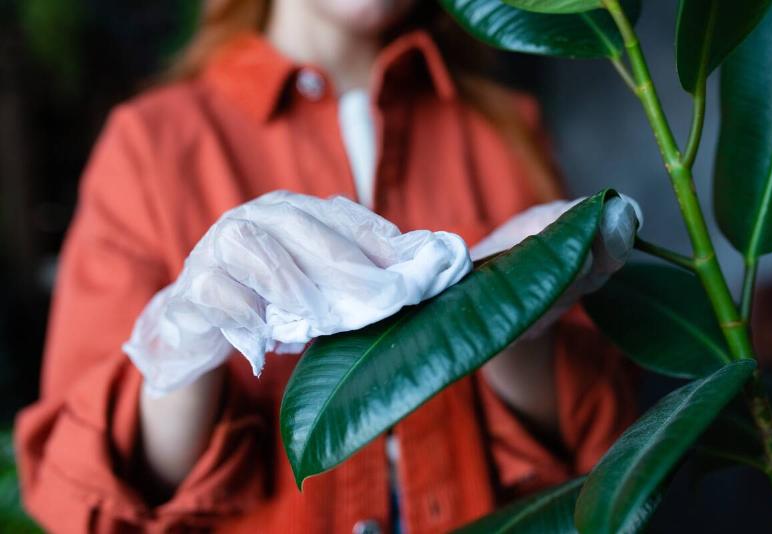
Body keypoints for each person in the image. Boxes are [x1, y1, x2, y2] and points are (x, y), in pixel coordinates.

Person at [14, 0, 639, 532]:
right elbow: (88, 492)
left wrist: (515, 318)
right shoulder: (151, 145)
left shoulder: (502, 131)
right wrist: (185, 342)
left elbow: (600, 459)